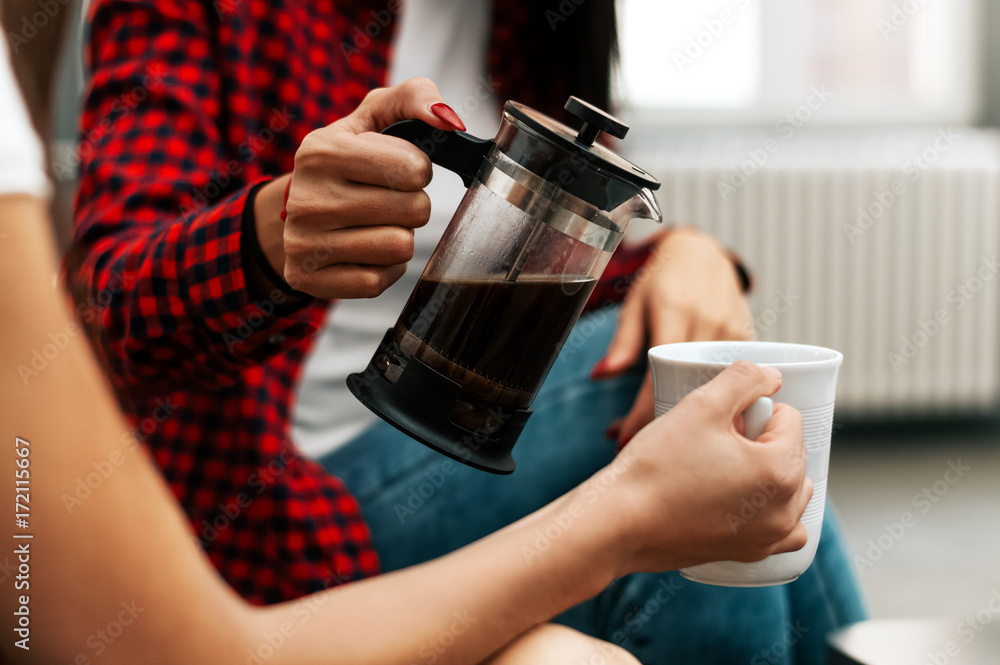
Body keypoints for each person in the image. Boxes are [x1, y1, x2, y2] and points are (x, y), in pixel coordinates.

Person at [67, 0, 866, 661]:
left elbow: (533, 278)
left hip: (458, 442)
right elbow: (107, 311)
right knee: (688, 411)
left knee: (724, 442)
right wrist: (267, 239)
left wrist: (680, 254)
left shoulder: (537, 20)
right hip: (274, 495)